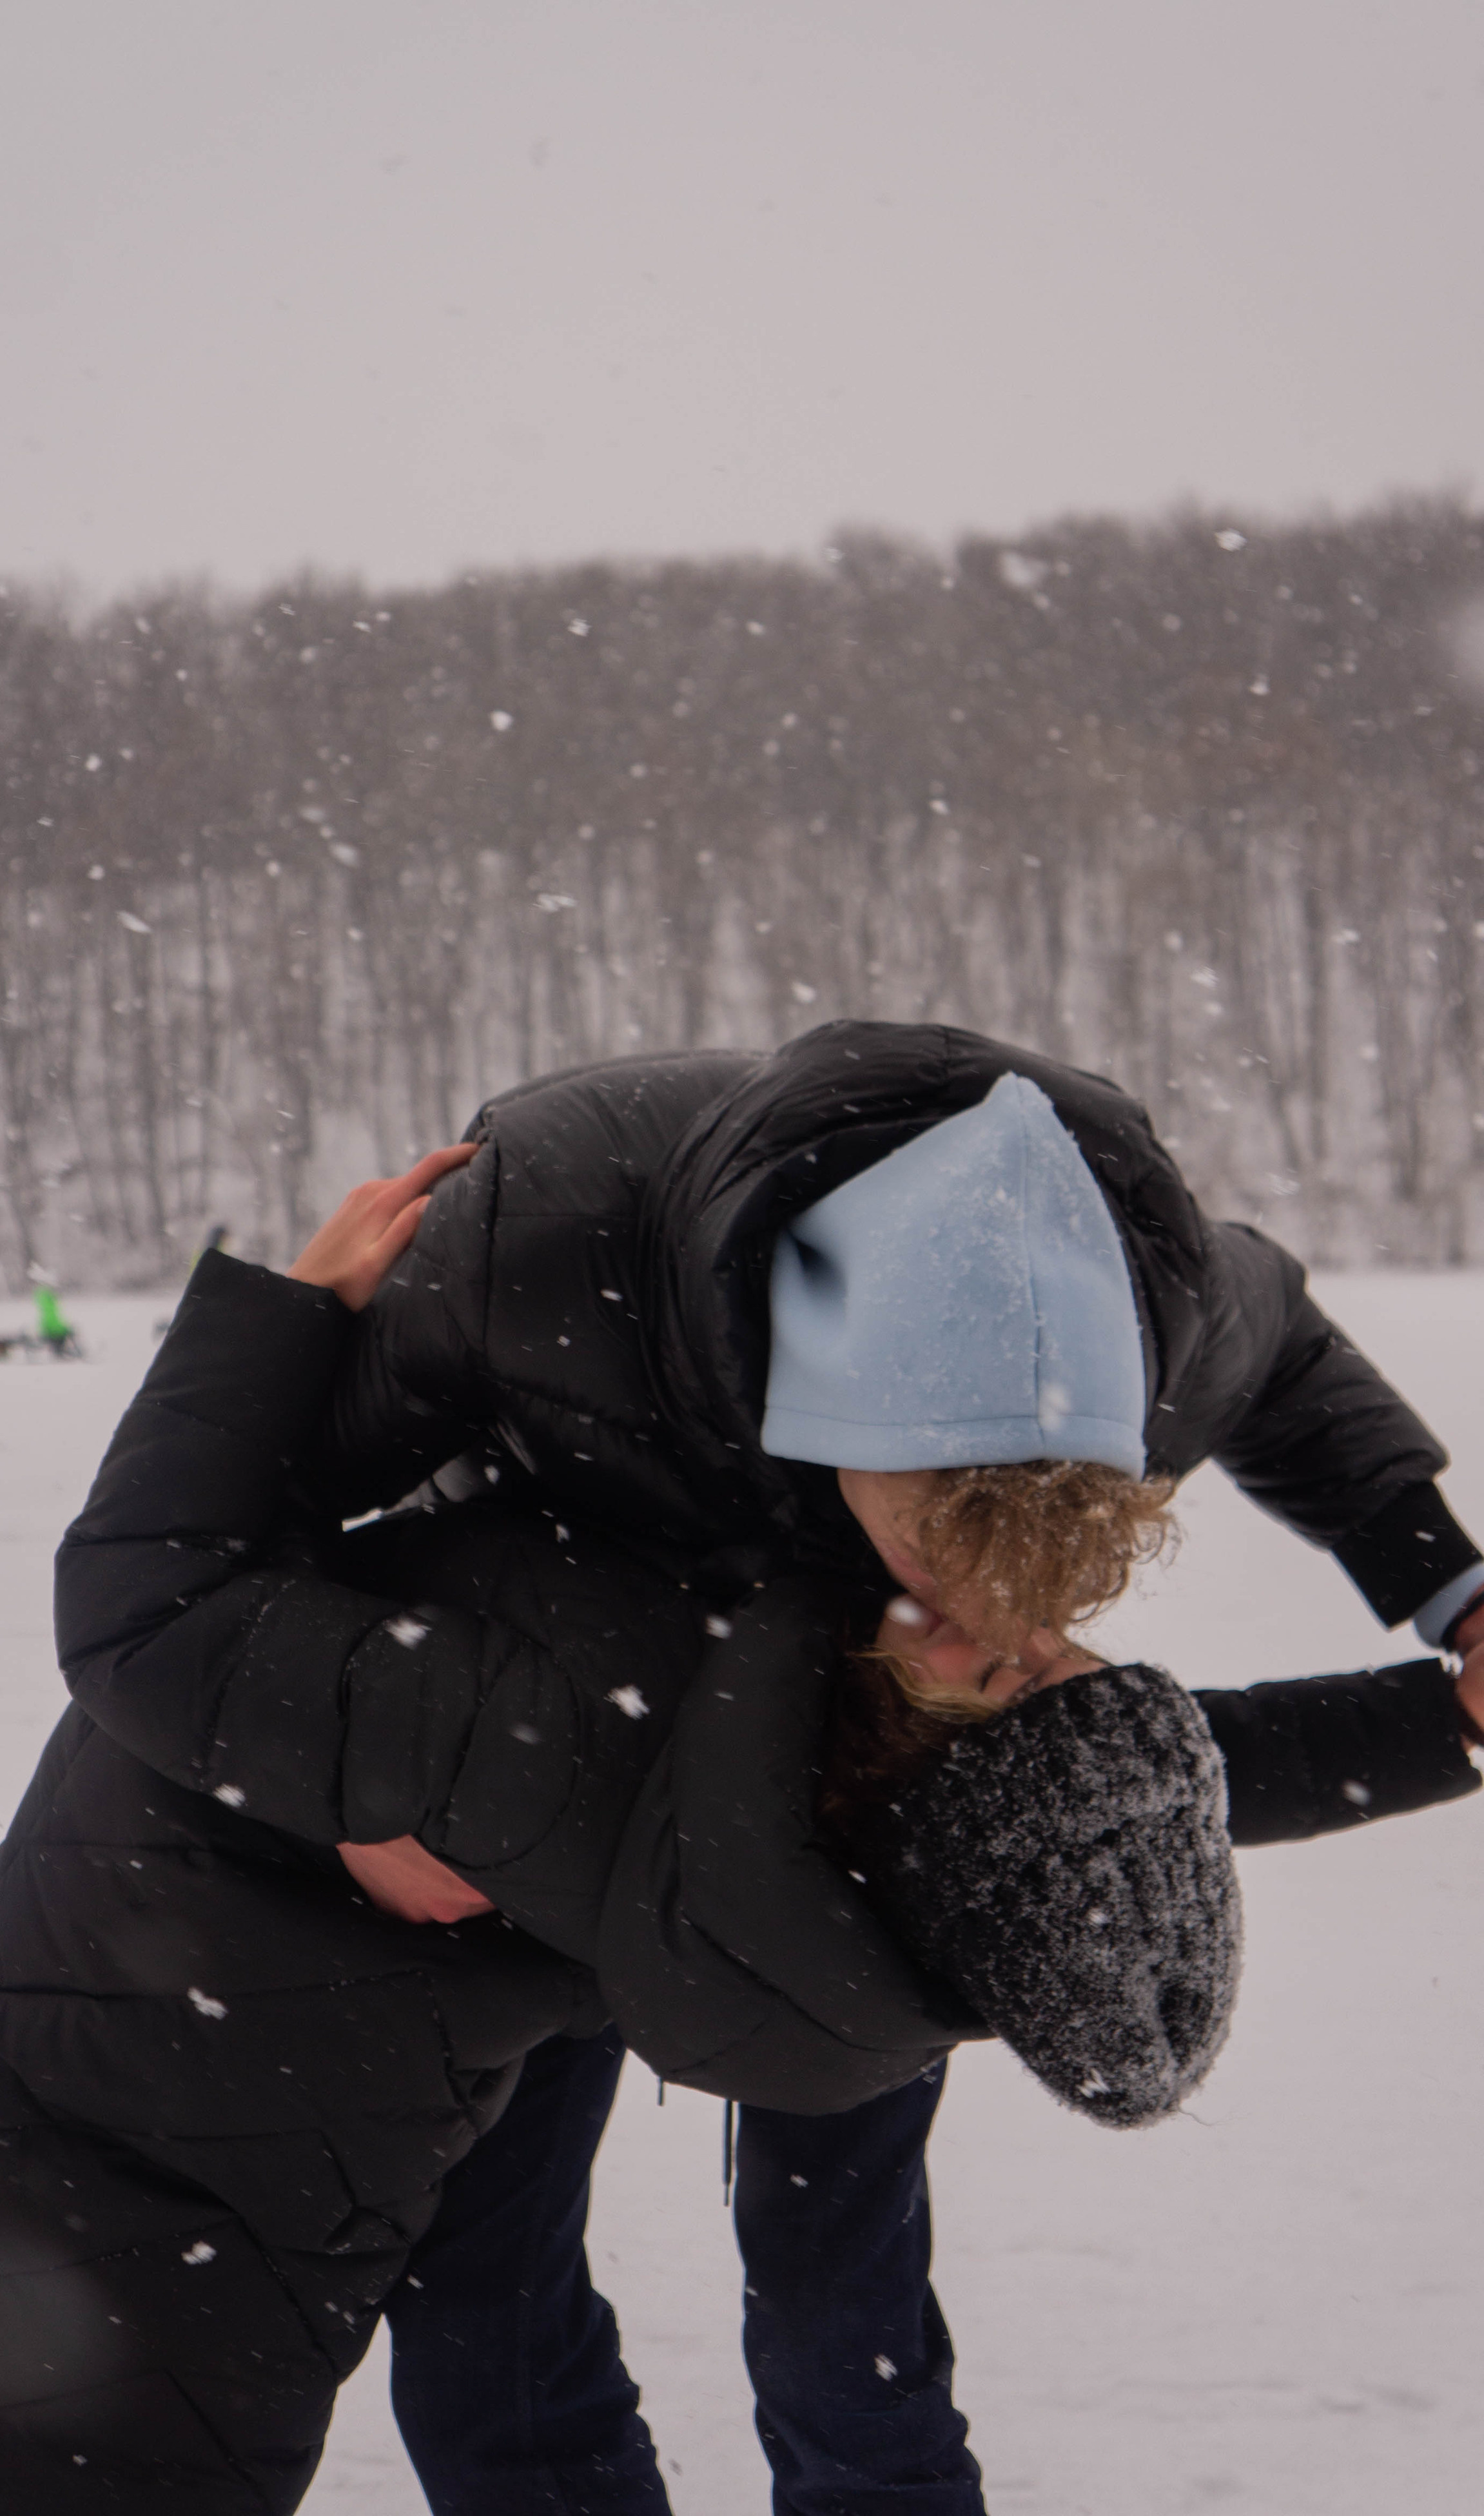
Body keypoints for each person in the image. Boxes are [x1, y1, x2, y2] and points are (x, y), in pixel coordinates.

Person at [290, 1025, 1484, 2516]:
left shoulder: (1153, 1329)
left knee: (842, 2291)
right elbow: (263, 1516)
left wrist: (1452, 1624)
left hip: (834, 1803)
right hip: (533, 1757)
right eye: (957, 1580)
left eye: (1028, 1632)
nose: (995, 1630)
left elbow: (1132, 1743)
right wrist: (364, 1789)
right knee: (482, 2271)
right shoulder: (541, 1242)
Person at [0, 1146, 1255, 2512]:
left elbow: (142, 1607)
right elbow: (1169, 1780)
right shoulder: (774, 1835)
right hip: (190, 2207)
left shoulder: (573, 1745)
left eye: (1016, 1666)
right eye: (1062, 1641)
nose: (1016, 1615)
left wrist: (275, 1318)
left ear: (946, 1773)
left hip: (116, 2201)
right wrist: (1445, 1716)